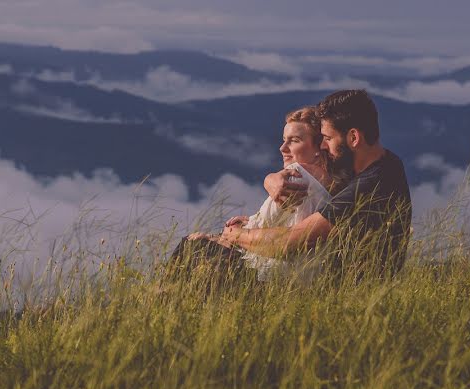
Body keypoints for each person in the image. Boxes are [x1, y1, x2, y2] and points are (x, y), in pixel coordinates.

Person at [217, 89, 412, 280]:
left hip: (345, 293)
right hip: (349, 285)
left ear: (353, 138)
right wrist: (271, 179)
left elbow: (288, 244)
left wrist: (234, 234)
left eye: (327, 138)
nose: (323, 146)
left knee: (200, 251)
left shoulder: (368, 186)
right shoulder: (387, 163)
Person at [168, 106, 342, 283]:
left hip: (270, 275)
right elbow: (283, 220)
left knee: (192, 244)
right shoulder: (331, 183)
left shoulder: (295, 176)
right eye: (284, 140)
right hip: (304, 276)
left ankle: (163, 297)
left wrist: (229, 232)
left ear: (318, 147)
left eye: (294, 141)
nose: (283, 148)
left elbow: (261, 226)